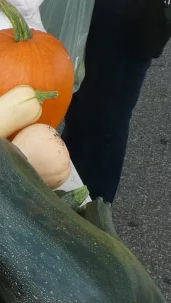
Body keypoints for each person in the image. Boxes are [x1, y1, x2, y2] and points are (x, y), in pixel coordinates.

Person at [62, 0, 171, 203]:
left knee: (105, 120)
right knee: (76, 105)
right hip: (94, 12)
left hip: (129, 17)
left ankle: (90, 215)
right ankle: (64, 187)